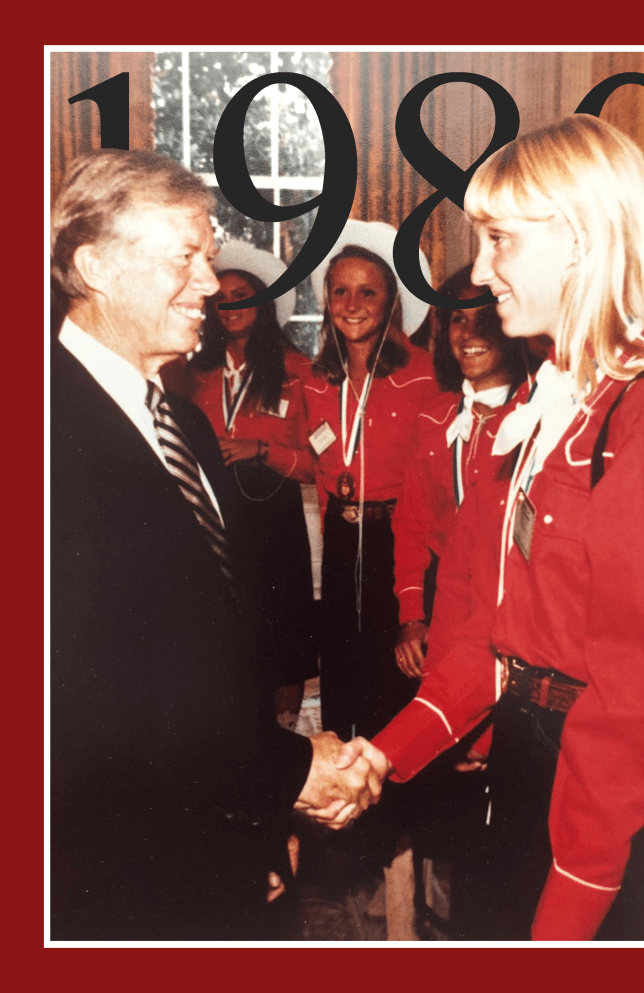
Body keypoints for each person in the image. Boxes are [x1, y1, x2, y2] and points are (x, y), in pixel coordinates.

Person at [361, 115, 644, 941]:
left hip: (619, 802)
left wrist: (571, 905)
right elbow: (489, 630)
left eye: (499, 241)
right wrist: (388, 752)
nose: (481, 273)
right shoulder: (546, 400)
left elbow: (634, 694)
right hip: (533, 758)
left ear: (582, 242)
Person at [49, 149, 386, 941]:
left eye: (209, 255)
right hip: (112, 879)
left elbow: (210, 655)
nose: (209, 282)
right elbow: (96, 704)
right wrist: (291, 772)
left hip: (210, 847)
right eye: (186, 258)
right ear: (96, 266)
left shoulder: (186, 424)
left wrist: (254, 825)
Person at [164, 241, 318, 729]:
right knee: (231, 628)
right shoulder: (192, 376)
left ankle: (289, 736)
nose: (230, 305)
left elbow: (322, 464)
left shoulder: (300, 373)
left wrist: (261, 452)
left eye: (242, 294)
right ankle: (242, 737)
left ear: (265, 305)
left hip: (276, 519)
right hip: (215, 517)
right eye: (221, 298)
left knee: (283, 630)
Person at [300, 220, 440, 743]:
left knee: (395, 674)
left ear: (391, 302)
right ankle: (341, 795)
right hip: (339, 535)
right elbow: (311, 460)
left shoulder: (428, 375)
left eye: (367, 291)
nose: (351, 303)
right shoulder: (315, 379)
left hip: (399, 541)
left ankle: (395, 803)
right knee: (341, 669)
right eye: (340, 290)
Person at [392, 264, 548, 681]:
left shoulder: (536, 416)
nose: (469, 333)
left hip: (514, 600)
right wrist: (412, 616)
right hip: (445, 600)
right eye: (458, 319)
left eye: (486, 317)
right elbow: (411, 524)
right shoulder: (433, 418)